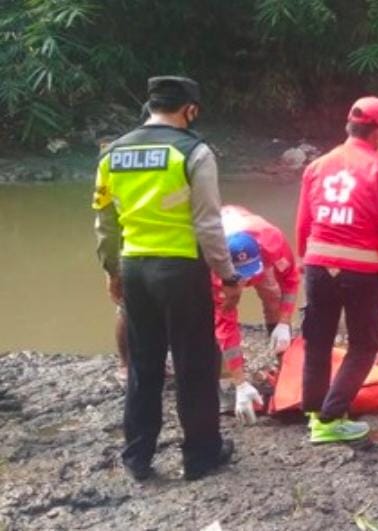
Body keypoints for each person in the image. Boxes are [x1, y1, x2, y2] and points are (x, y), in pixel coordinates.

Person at [92, 76, 241, 481]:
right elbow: (209, 225)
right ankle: (201, 455)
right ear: (189, 109)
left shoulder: (113, 153)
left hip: (136, 268)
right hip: (180, 270)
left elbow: (105, 223)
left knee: (143, 366)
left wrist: (112, 271)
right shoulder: (194, 152)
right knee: (194, 365)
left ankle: (137, 458)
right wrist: (228, 275)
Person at [296, 96, 378, 444]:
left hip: (318, 266)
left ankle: (313, 411)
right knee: (364, 345)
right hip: (360, 272)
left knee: (318, 341)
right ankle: (330, 419)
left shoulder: (318, 165)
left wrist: (305, 263)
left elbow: (303, 224)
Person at [213, 205, 299, 424]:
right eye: (242, 279)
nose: (246, 283)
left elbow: (291, 279)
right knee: (209, 320)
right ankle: (224, 382)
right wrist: (240, 382)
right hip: (221, 259)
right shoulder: (213, 267)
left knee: (273, 294)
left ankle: (284, 367)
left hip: (248, 241)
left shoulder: (273, 241)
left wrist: (284, 321)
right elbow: (226, 325)